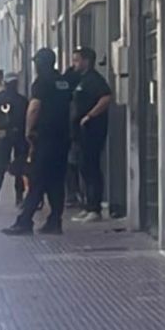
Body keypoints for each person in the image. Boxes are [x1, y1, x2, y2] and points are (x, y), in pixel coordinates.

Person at [3, 48, 75, 236]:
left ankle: (25, 221)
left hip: (45, 137)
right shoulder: (63, 82)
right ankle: (55, 221)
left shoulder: (41, 82)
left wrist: (28, 131)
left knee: (37, 179)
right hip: (63, 137)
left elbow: (34, 107)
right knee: (56, 181)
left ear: (40, 64)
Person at [70, 47, 113, 222]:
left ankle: (95, 208)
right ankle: (88, 206)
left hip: (92, 131)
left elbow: (106, 97)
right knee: (84, 167)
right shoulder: (81, 80)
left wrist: (90, 116)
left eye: (77, 60)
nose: (74, 64)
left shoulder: (94, 80)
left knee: (91, 167)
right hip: (81, 133)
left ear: (86, 61)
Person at [0, 75, 28, 209]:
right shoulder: (23, 100)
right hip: (19, 135)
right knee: (19, 167)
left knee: (0, 167)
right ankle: (19, 198)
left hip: (4, 135)